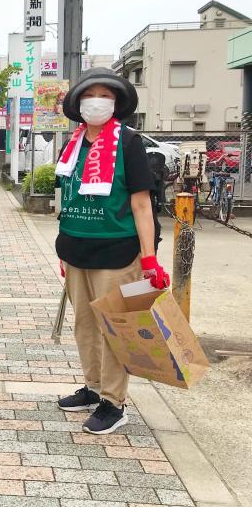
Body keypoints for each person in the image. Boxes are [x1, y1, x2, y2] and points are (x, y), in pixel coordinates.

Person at [55, 67, 169, 435]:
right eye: (91, 95)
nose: (97, 102)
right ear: (78, 103)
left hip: (118, 250)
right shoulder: (72, 145)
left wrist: (149, 258)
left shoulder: (129, 143)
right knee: (85, 325)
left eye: (106, 96)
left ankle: (113, 402)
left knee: (114, 328)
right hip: (77, 249)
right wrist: (63, 248)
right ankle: (92, 387)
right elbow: (67, 198)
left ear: (116, 104)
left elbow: (140, 204)